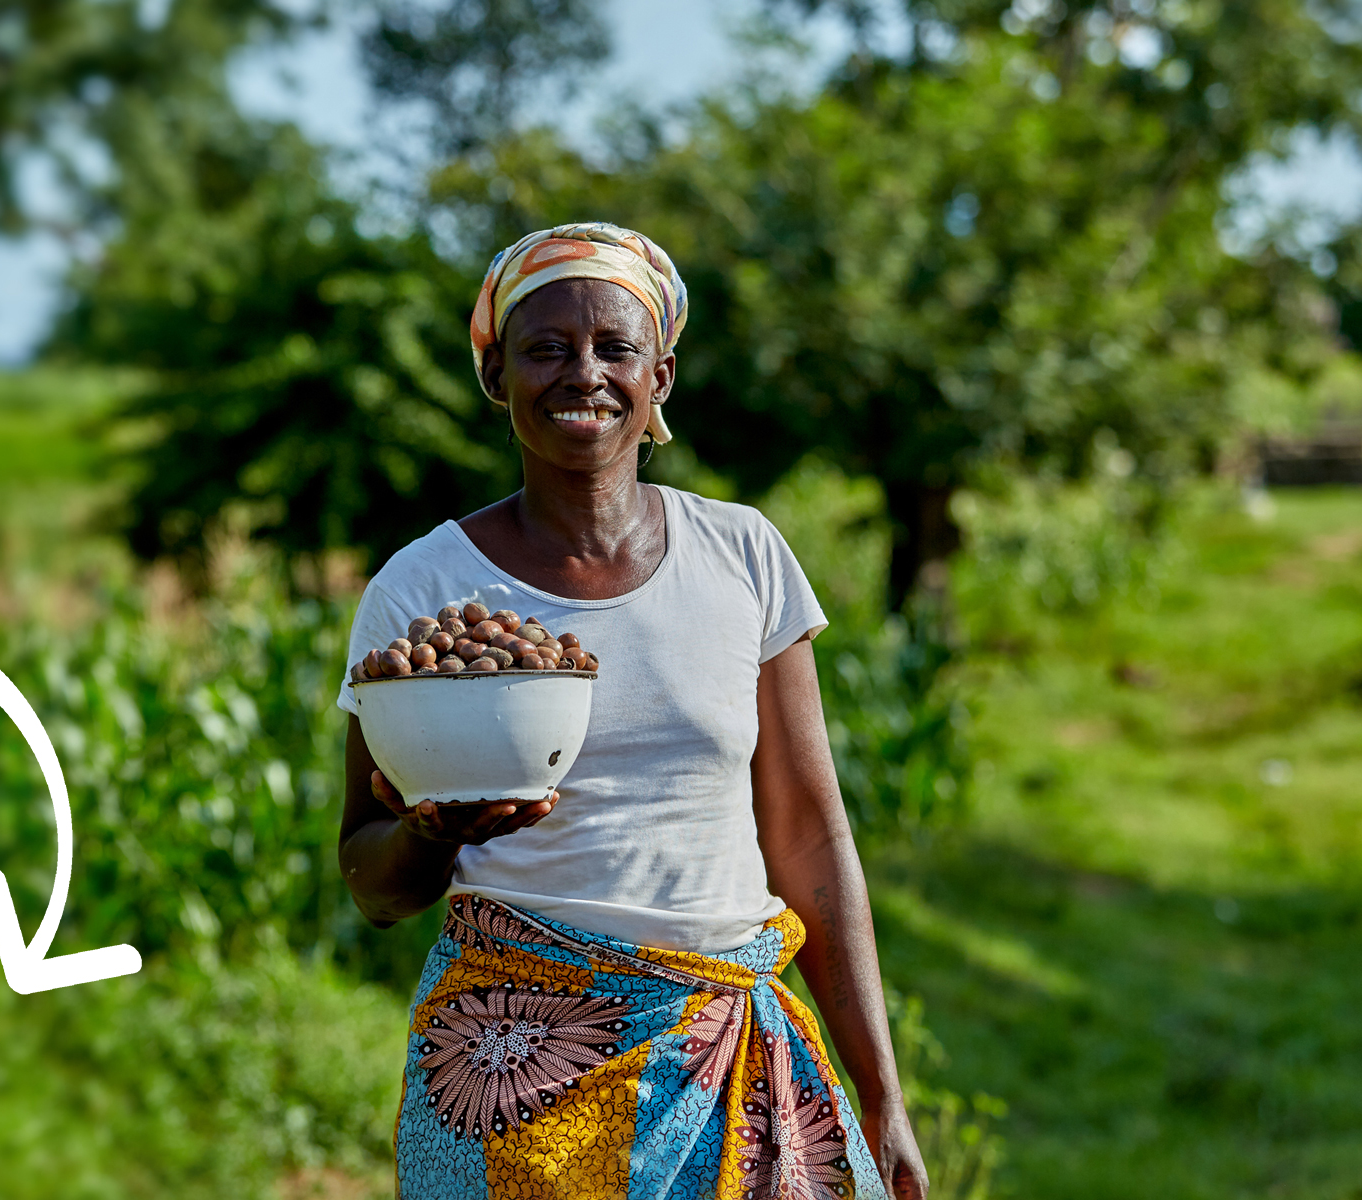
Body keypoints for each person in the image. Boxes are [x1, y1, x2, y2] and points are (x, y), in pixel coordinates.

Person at [336, 223, 929, 1199]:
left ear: (660, 375)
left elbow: (811, 839)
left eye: (615, 347)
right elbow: (372, 881)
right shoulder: (422, 588)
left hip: (733, 1050)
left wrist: (882, 1095)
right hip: (509, 1072)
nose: (583, 373)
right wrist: (433, 837)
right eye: (545, 348)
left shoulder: (742, 555)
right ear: (496, 376)